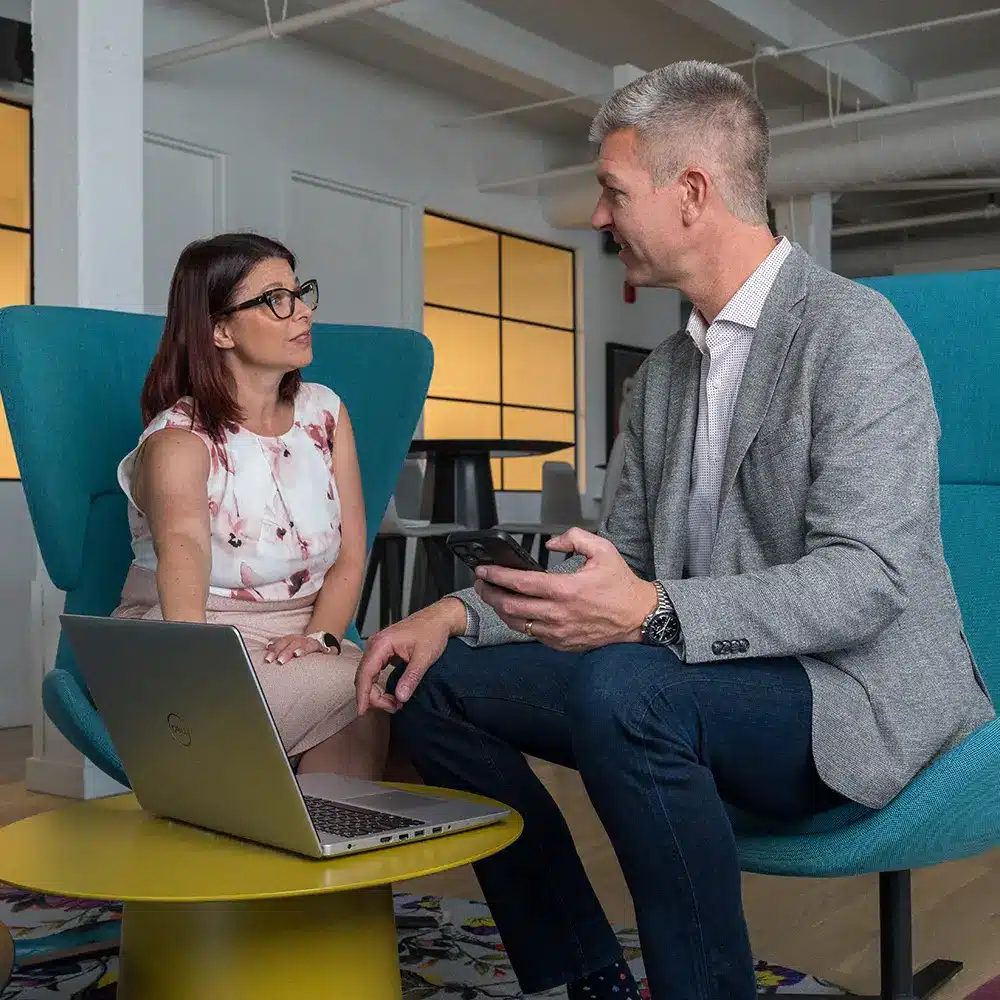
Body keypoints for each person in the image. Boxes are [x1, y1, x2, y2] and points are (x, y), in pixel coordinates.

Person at [355, 61, 996, 999]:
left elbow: (866, 581)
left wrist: (651, 611)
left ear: (691, 193)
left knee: (626, 686)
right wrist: (450, 618)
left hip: (849, 694)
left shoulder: (856, 336)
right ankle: (586, 972)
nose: (601, 218)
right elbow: (621, 572)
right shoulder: (661, 377)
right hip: (698, 678)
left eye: (615, 192)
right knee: (428, 682)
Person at [114, 232, 388, 779]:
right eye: (275, 299)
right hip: (195, 637)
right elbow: (184, 554)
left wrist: (321, 638)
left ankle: (316, 851)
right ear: (219, 329)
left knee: (387, 701)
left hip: (304, 635)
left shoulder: (326, 413)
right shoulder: (178, 441)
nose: (302, 311)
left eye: (299, 292)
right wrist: (199, 687)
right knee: (379, 693)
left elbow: (352, 552)